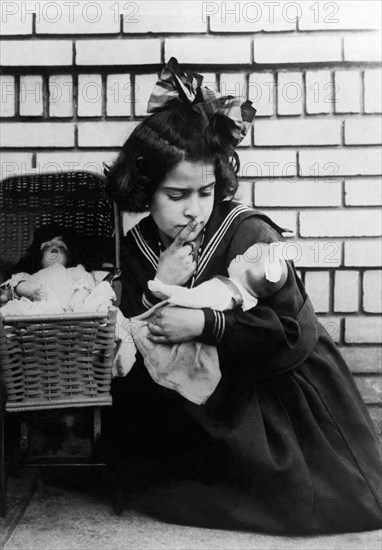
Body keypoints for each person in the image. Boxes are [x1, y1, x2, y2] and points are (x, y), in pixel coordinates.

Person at [106, 58, 382, 534]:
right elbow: (131, 338)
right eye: (176, 195)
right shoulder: (138, 247)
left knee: (306, 499)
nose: (193, 210)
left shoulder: (247, 233)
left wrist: (204, 323)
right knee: (148, 476)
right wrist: (160, 282)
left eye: (206, 191)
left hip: (266, 395)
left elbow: (291, 332)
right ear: (146, 190)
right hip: (188, 398)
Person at [0, 224, 115, 314]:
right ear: (37, 256)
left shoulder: (74, 271)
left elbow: (85, 284)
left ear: (70, 255)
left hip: (75, 312)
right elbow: (18, 285)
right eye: (47, 246)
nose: (54, 247)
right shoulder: (34, 276)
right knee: (14, 306)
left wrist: (75, 305)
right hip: (42, 312)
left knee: (103, 291)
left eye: (60, 246)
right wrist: (30, 289)